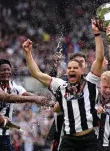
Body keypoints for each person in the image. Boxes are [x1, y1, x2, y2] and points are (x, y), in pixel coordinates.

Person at [22, 20, 105, 151]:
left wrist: (97, 34)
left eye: (75, 68)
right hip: (68, 140)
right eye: (69, 68)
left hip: (88, 138)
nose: (71, 70)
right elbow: (36, 74)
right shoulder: (61, 85)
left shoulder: (90, 82)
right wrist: (28, 53)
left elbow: (99, 58)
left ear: (82, 70)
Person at [0, 59, 50, 151]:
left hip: (4, 135)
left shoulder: (14, 86)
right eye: (3, 70)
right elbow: (7, 97)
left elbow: (26, 94)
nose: (6, 72)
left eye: (8, 69)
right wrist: (35, 99)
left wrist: (45, 101)